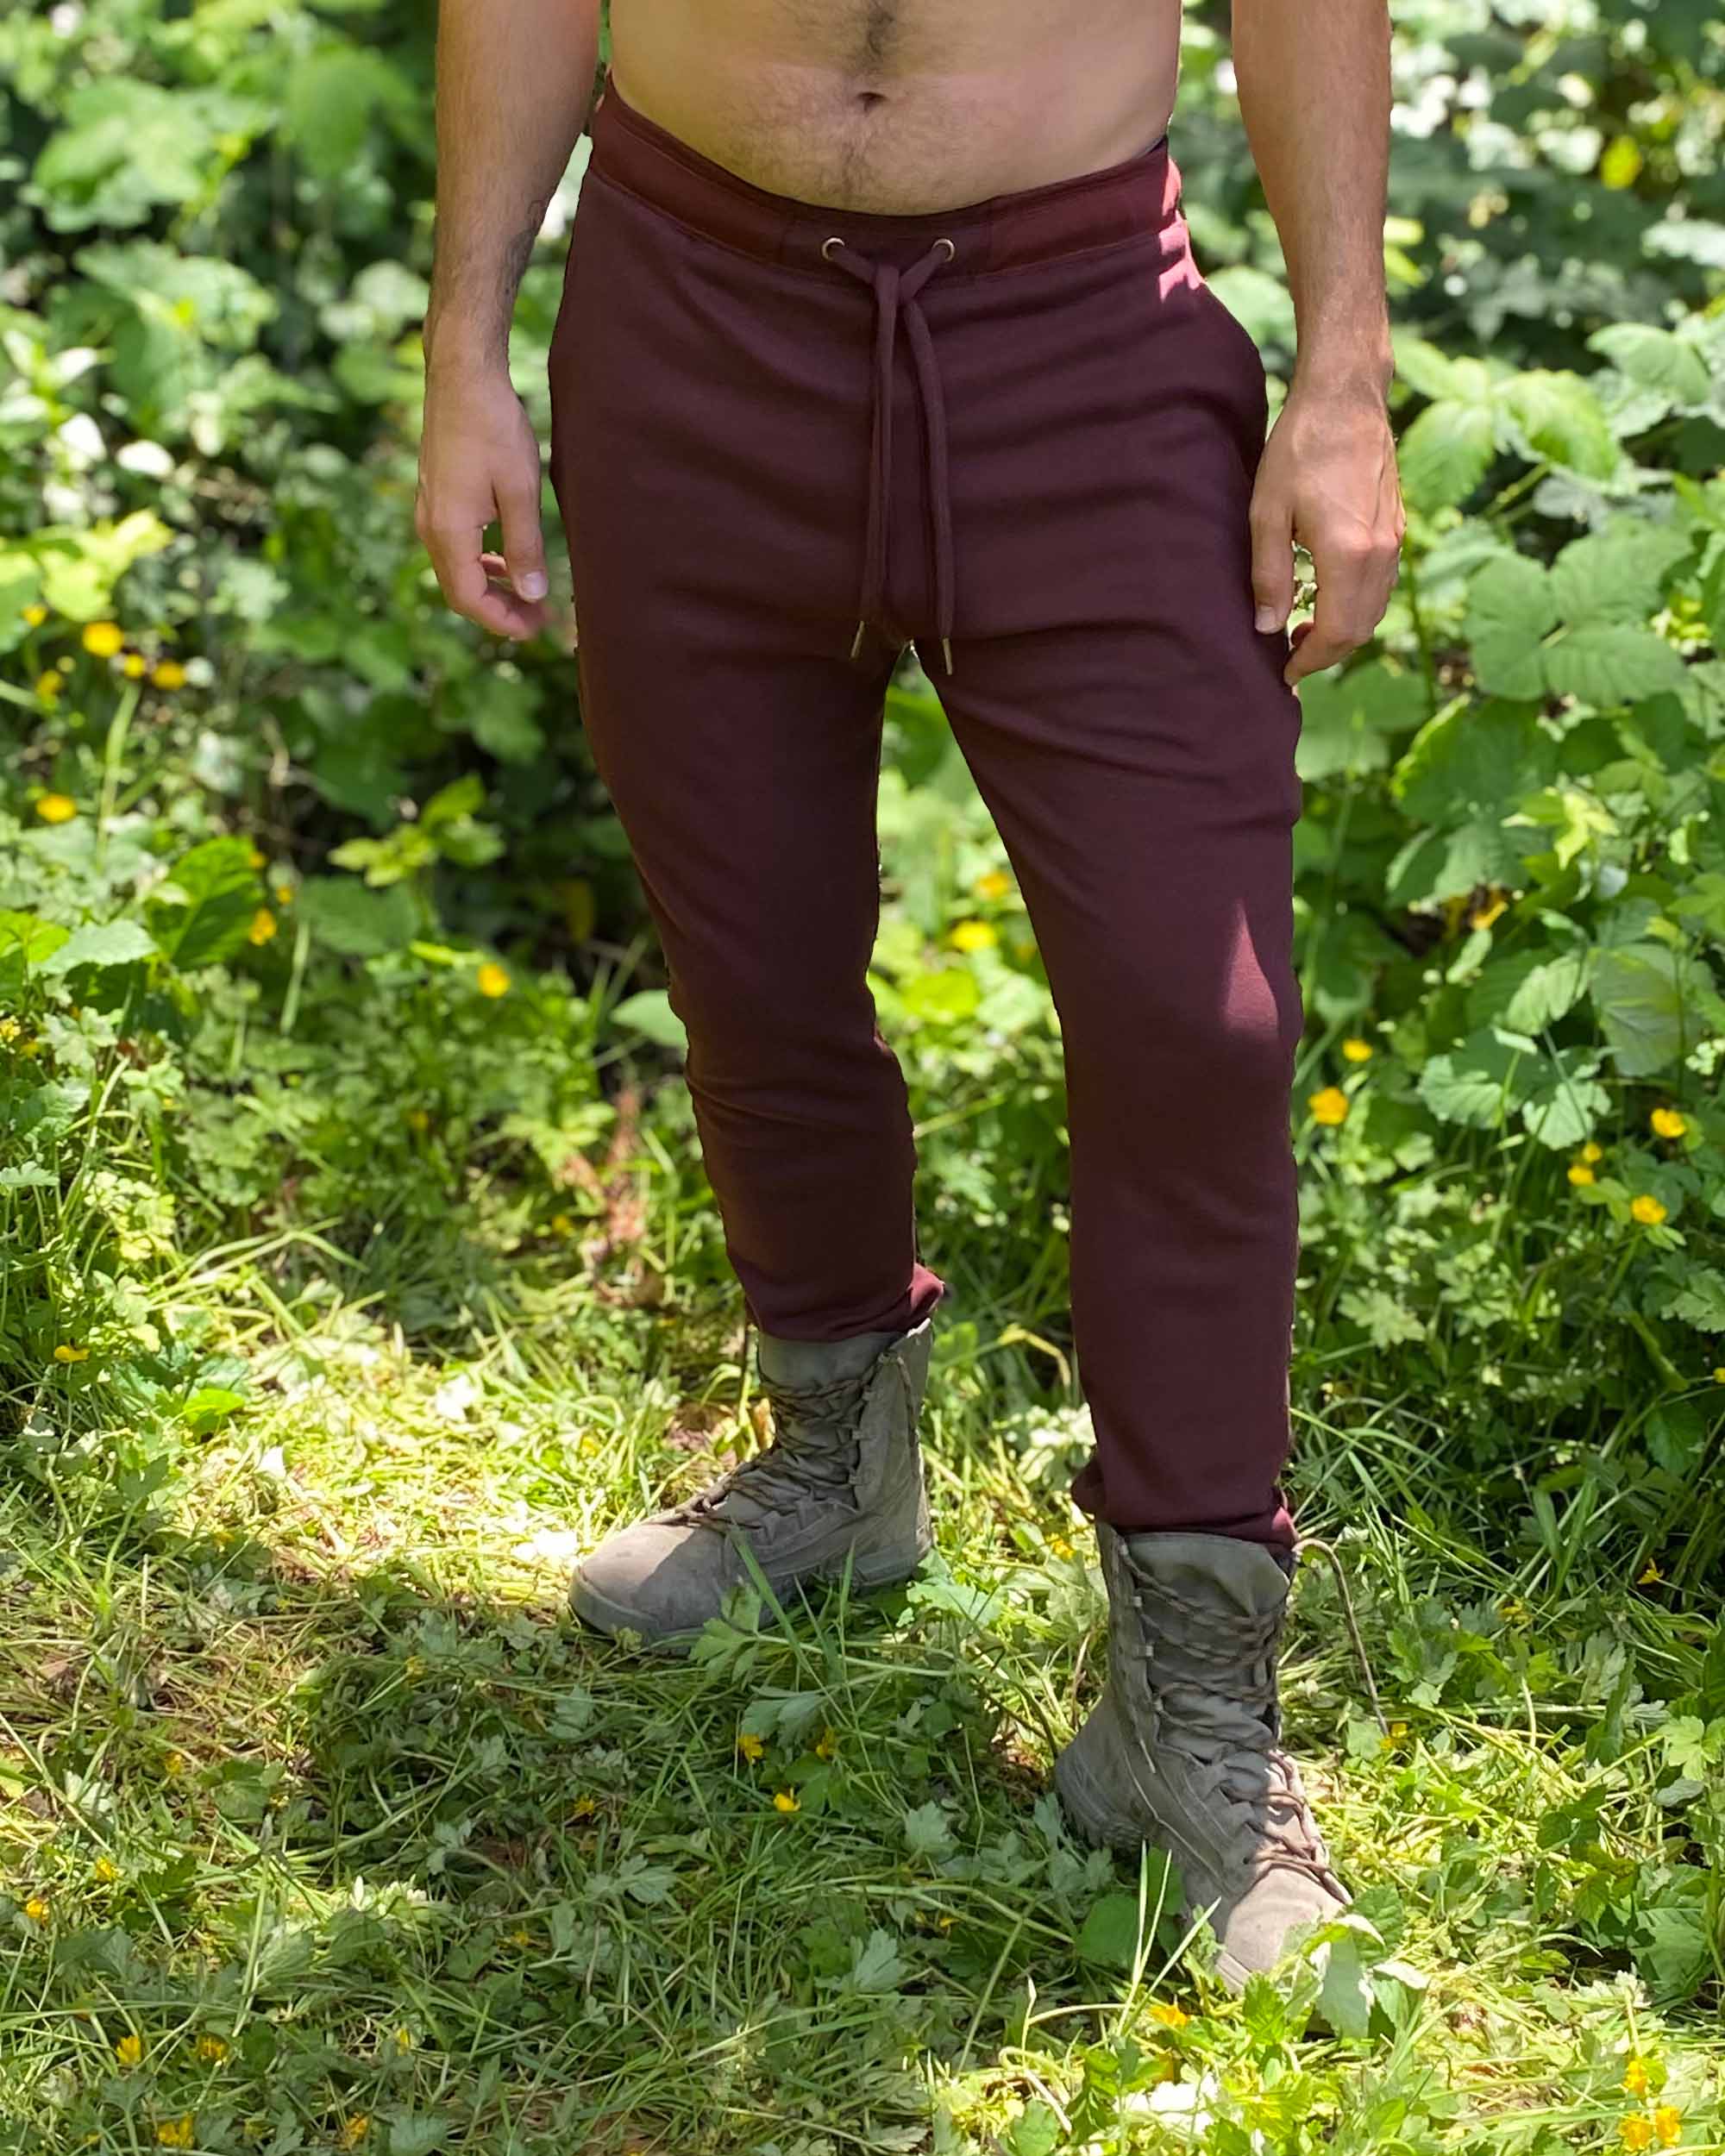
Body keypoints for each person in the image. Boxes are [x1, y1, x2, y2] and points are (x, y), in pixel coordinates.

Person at [416, 0, 1403, 1989]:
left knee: (1196, 1022)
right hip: (686, 306)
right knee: (754, 949)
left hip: (1082, 337)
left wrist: (1343, 370)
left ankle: (1185, 1712)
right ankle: (832, 1468)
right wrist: (463, 346)